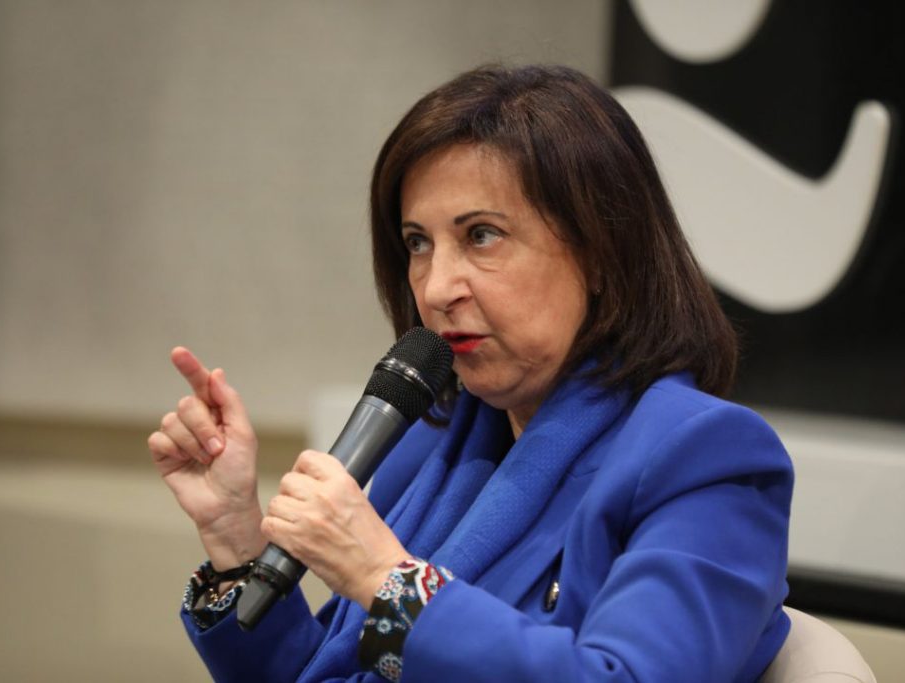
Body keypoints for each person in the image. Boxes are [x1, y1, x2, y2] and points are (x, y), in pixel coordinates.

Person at [148, 64, 794, 683]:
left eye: (481, 235)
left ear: (602, 254)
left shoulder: (705, 458)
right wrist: (236, 536)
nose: (436, 288)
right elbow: (323, 671)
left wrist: (391, 582)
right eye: (418, 243)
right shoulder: (427, 445)